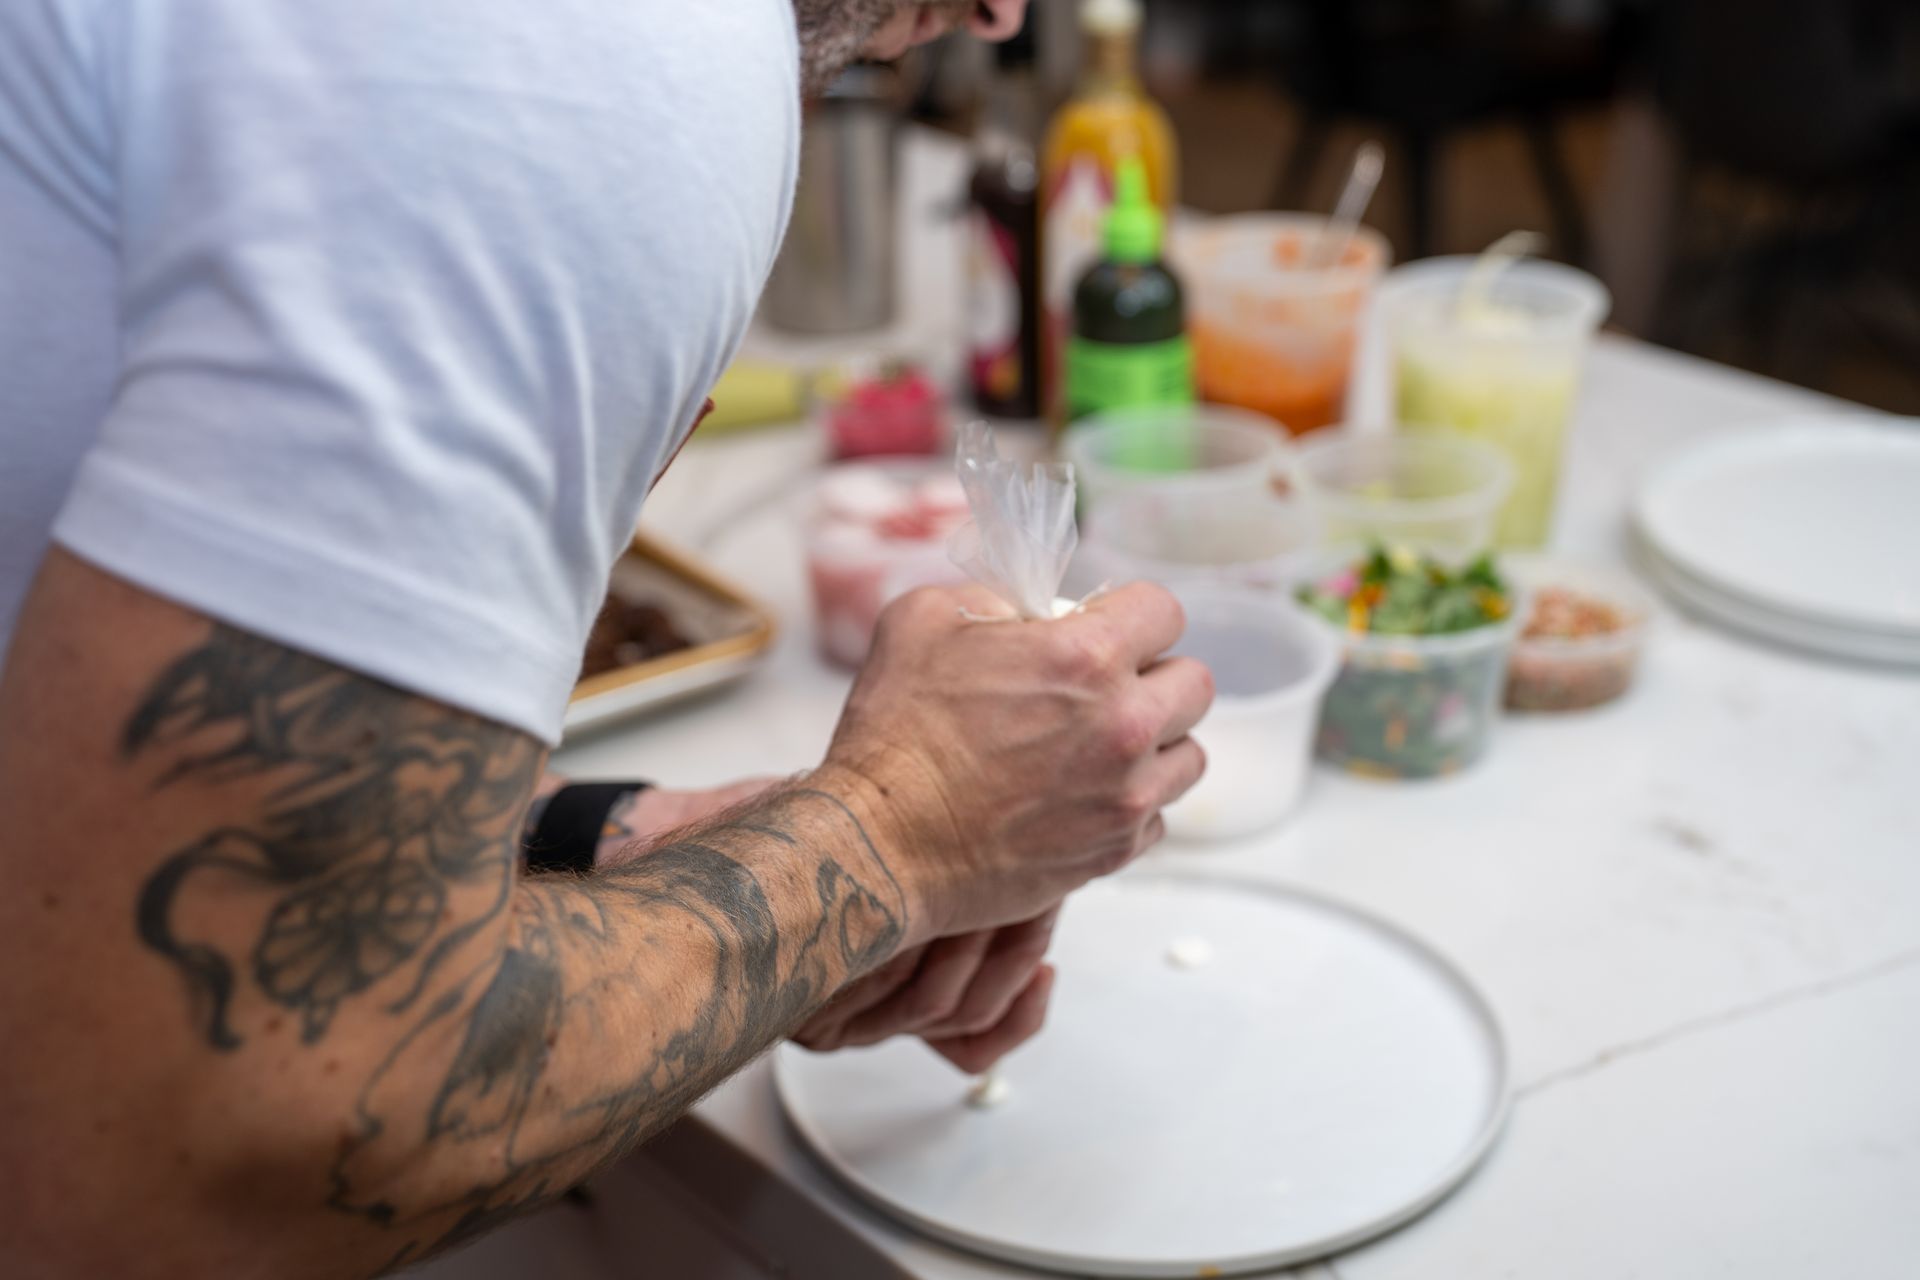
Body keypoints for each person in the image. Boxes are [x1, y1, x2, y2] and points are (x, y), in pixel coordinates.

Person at [0, 1, 1214, 1275]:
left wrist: (654, 857)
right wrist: (896, 833)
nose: (999, 12)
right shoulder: (591, 50)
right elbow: (188, 1147)